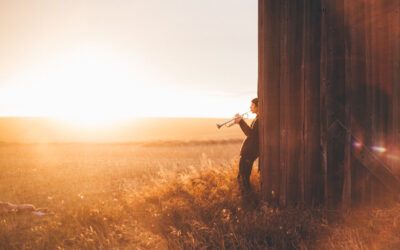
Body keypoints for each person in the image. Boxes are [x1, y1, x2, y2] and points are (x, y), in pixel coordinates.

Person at [234, 98, 259, 192]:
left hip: (249, 153)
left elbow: (251, 134)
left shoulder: (259, 120)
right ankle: (246, 197)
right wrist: (240, 122)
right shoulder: (257, 118)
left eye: (252, 105)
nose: (250, 107)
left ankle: (247, 198)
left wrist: (241, 121)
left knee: (243, 178)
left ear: (258, 106)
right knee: (242, 177)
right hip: (249, 152)